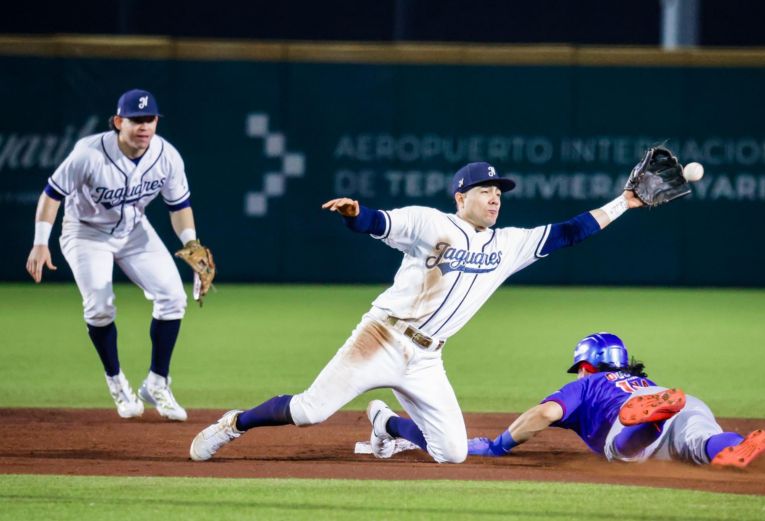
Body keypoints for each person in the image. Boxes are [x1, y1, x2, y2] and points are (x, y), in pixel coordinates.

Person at [189, 161, 647, 462]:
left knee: (452, 453)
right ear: (460, 197)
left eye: (498, 192)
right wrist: (356, 213)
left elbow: (572, 231)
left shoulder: (511, 244)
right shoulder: (432, 223)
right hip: (382, 338)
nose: (494, 197)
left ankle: (385, 423)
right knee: (310, 411)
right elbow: (380, 222)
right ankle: (233, 424)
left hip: (428, 358)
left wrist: (624, 202)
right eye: (484, 190)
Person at [25, 89, 202, 422]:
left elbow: (179, 206)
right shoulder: (87, 154)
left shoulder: (166, 156)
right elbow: (52, 194)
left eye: (149, 119)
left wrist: (191, 244)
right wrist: (40, 242)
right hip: (86, 233)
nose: (144, 127)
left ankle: (157, 383)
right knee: (100, 306)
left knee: (174, 298)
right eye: (136, 120)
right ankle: (116, 381)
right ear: (119, 121)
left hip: (135, 231)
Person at [454, 332, 765, 468]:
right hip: (683, 401)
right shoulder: (642, 380)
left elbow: (546, 413)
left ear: (586, 365)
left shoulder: (588, 384)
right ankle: (735, 444)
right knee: (703, 443)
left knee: (621, 453)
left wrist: (499, 445)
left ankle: (652, 421)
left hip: (632, 414)